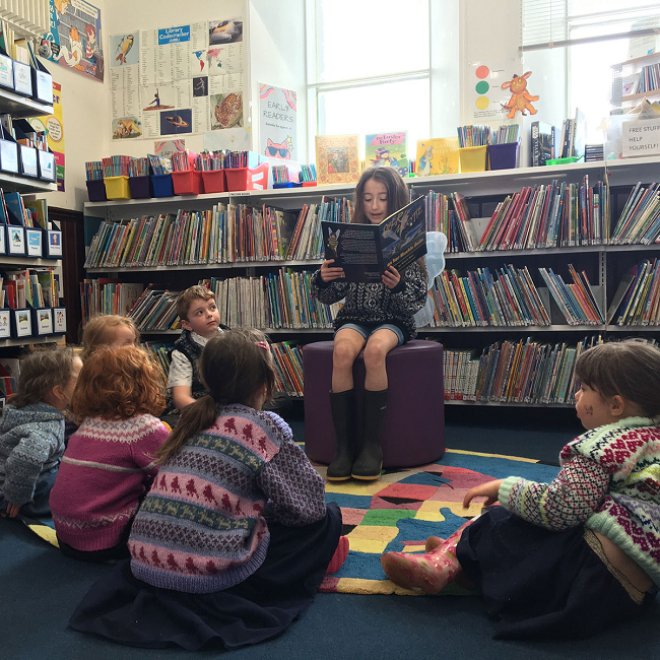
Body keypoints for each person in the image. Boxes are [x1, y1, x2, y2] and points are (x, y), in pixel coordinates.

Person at [69, 329, 345, 651]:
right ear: (265, 384)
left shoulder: (189, 421)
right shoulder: (263, 428)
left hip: (145, 563)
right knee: (327, 518)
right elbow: (307, 506)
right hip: (205, 579)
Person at [381, 339, 660, 640]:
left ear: (616, 405)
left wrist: (506, 488)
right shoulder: (652, 444)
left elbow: (561, 508)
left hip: (585, 580)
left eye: (584, 388)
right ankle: (464, 562)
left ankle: (444, 564)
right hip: (629, 597)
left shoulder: (604, 447)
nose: (577, 395)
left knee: (500, 521)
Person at [310, 167, 428, 481]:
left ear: (396, 201)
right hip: (355, 316)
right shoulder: (350, 239)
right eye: (367, 199)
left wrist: (398, 285)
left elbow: (416, 301)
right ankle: (345, 447)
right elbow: (328, 294)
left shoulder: (408, 243)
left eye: (382, 199)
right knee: (342, 352)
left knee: (376, 351)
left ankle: (371, 447)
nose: (374, 206)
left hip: (394, 319)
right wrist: (323, 278)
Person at [50, 346, 169, 562]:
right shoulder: (142, 427)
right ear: (146, 382)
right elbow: (173, 475)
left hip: (66, 536)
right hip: (108, 541)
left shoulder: (88, 424)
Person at [0, 348, 82, 519]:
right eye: (80, 380)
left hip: (20, 477)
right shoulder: (45, 428)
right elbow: (24, 459)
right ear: (59, 392)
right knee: (76, 490)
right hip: (28, 487)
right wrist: (17, 496)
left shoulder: (27, 410)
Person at [167, 285, 226, 411]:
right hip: (200, 409)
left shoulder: (232, 338)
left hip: (230, 403)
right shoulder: (182, 352)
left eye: (212, 307)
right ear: (187, 325)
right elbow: (181, 398)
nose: (209, 314)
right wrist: (211, 415)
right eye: (200, 312)